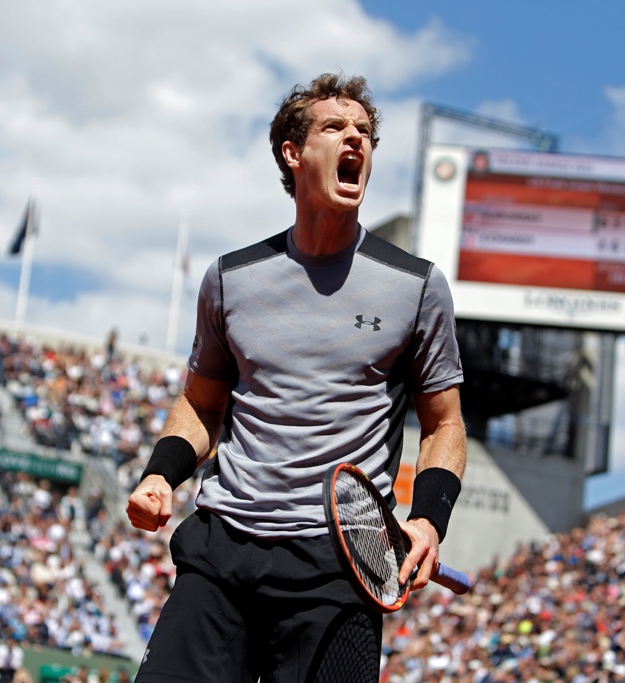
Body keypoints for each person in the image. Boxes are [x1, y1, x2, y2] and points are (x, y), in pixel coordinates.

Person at [127, 73, 466, 682]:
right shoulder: (231, 278)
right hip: (223, 546)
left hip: (340, 566)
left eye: (364, 132)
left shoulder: (417, 286)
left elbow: (444, 424)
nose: (355, 139)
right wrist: (161, 474)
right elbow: (202, 404)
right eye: (335, 127)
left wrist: (428, 520)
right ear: (293, 153)